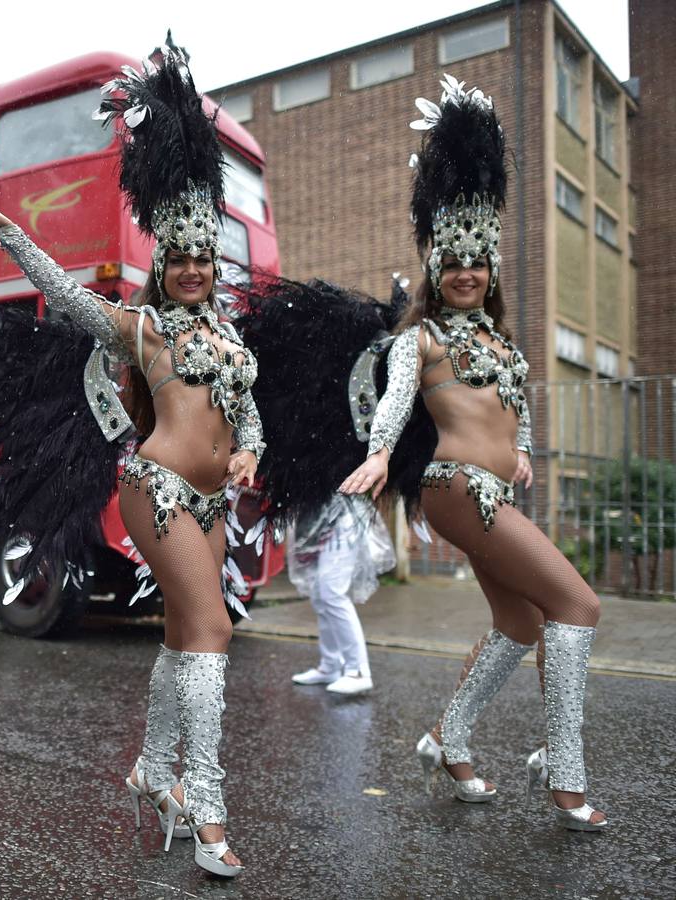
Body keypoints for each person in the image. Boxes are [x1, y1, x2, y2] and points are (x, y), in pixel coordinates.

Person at [0, 37, 258, 877]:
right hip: (154, 490)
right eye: (178, 257)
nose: (191, 268)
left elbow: (247, 415)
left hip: (215, 501)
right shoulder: (142, 328)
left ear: (214, 262)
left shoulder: (228, 337)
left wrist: (251, 454)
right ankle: (207, 807)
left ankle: (155, 770)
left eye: (201, 257)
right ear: (164, 261)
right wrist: (12, 232)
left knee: (187, 631)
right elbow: (68, 296)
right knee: (214, 629)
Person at [338, 75, 606, 830]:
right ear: (435, 268)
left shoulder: (498, 340)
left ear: (490, 268)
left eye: (477, 263)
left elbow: (512, 408)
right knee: (577, 605)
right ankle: (562, 771)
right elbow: (394, 401)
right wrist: (384, 453)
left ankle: (450, 741)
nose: (465, 273)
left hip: (495, 488)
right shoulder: (418, 338)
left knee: (522, 624)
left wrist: (519, 452)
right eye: (452, 262)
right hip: (456, 486)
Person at [289, 493, 394, 695]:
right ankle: (331, 666)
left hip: (342, 514)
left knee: (332, 593)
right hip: (316, 514)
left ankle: (358, 672)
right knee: (320, 595)